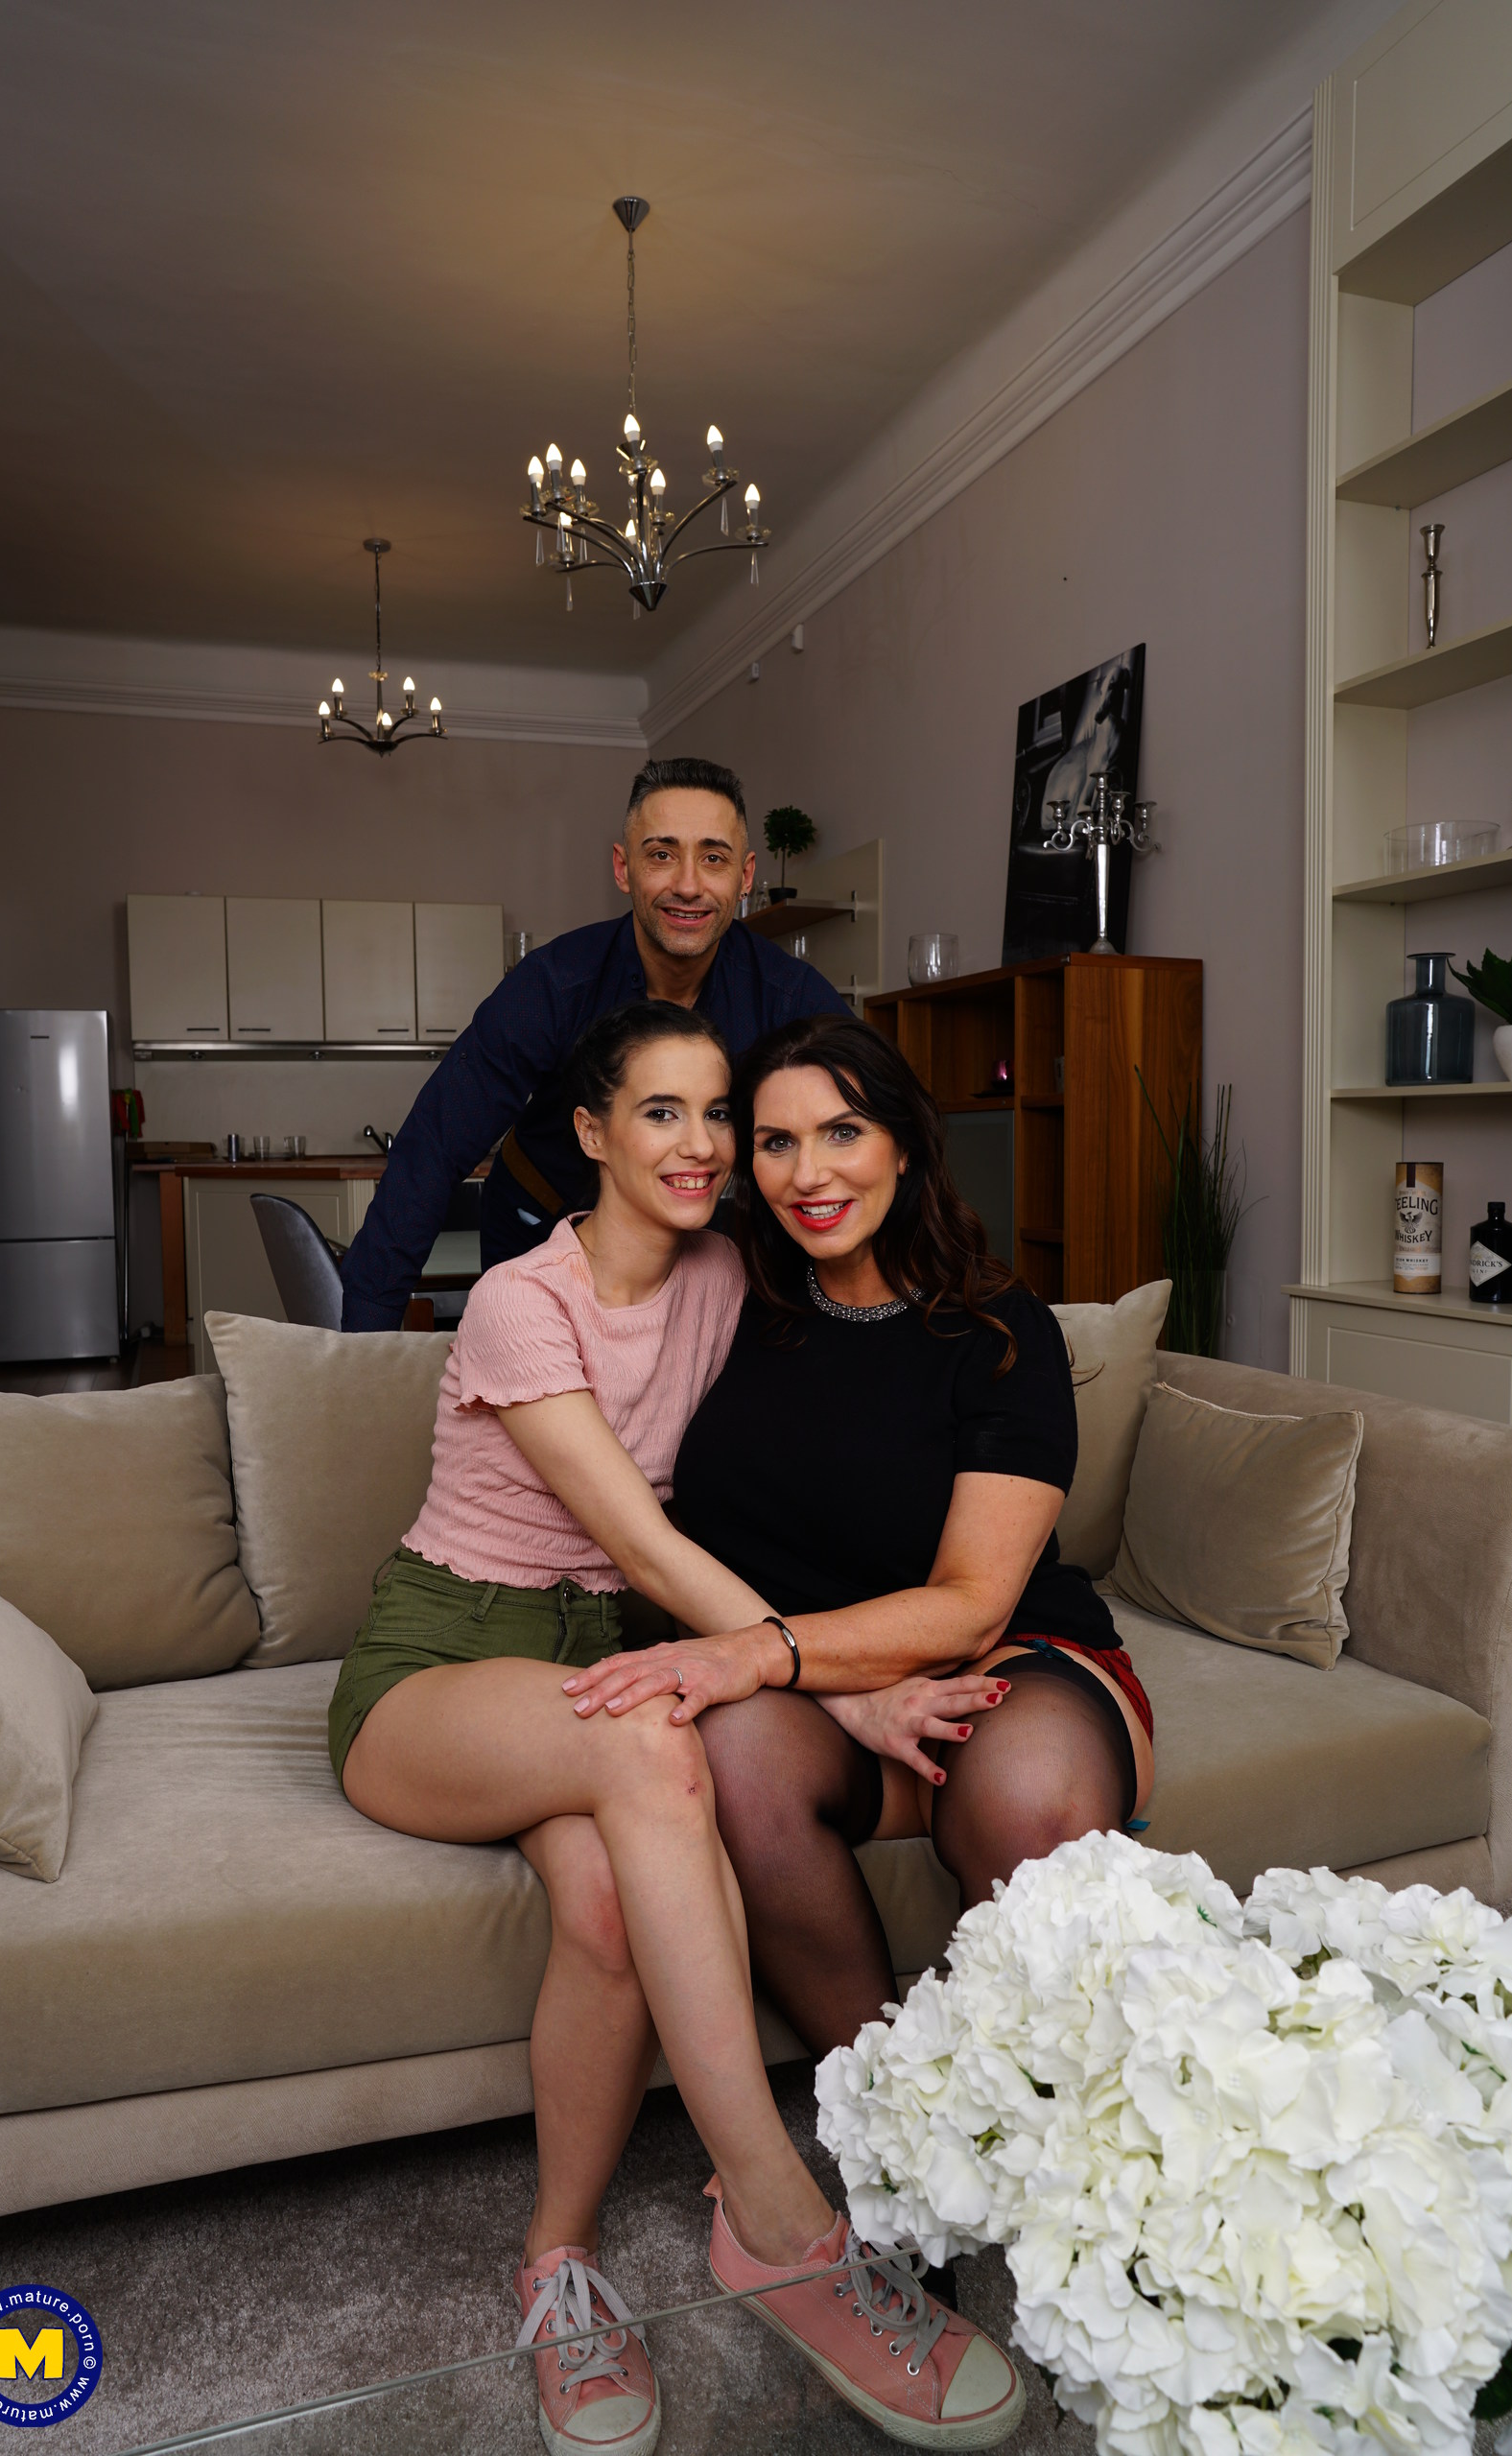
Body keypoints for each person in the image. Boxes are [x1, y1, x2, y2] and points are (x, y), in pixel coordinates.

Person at [328, 1000, 1025, 2456]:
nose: (702, 1144)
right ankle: (775, 2218)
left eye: (718, 1113)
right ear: (590, 1133)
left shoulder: (729, 1272)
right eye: (661, 1112)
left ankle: (557, 2262)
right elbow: (644, 1544)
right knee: (656, 1741)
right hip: (442, 1658)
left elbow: (863, 1351)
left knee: (603, 1905)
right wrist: (844, 1689)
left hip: (602, 1658)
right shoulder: (522, 1297)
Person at [558, 1011, 1155, 2063]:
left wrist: (757, 1650)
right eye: (775, 1142)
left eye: (843, 1132)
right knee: (731, 1759)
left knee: (1031, 1789)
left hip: (1002, 1658)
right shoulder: (728, 1298)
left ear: (905, 1144)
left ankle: (1042, 2106)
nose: (809, 1174)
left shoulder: (998, 1328)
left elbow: (971, 1602)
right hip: (808, 1702)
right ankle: (886, 2096)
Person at [339, 755, 848, 1330]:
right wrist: (365, 1338)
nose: (688, 885)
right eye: (661, 855)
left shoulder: (788, 996)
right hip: (540, 1221)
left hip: (700, 1246)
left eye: (713, 858)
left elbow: (874, 1128)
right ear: (623, 868)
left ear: (745, 876)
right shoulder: (552, 985)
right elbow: (434, 1147)